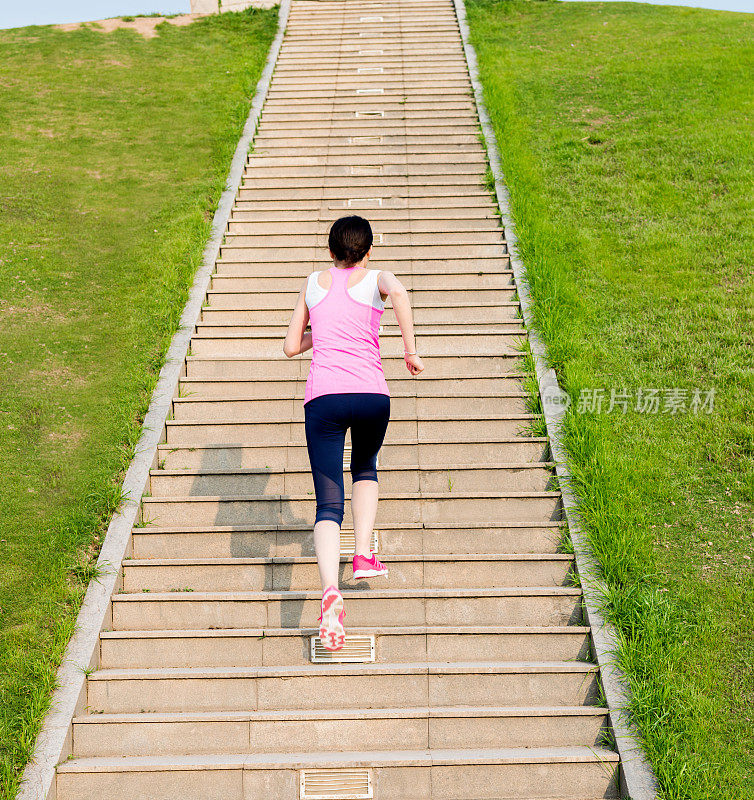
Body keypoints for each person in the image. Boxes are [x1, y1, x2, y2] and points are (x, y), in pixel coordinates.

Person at [283, 215, 424, 650]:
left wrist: (321, 334)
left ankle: (330, 591)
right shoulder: (378, 278)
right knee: (364, 466)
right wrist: (409, 349)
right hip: (369, 396)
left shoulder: (312, 282)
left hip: (323, 400)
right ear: (368, 250)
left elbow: (291, 346)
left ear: (330, 251)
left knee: (328, 502)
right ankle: (363, 554)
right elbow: (398, 292)